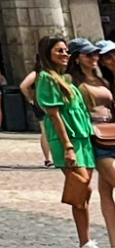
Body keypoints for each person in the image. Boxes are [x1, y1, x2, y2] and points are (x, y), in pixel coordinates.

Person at [36, 35, 97, 248]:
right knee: (81, 188)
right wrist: (68, 146)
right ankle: (85, 241)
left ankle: (86, 240)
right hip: (67, 140)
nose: (64, 54)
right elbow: (55, 115)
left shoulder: (65, 79)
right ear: (47, 54)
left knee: (84, 191)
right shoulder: (46, 78)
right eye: (59, 50)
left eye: (65, 51)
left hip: (83, 137)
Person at [70, 39, 115, 248]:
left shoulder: (101, 80)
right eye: (89, 55)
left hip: (112, 132)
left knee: (106, 193)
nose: (94, 58)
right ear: (77, 58)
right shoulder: (72, 81)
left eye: (96, 54)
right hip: (95, 138)